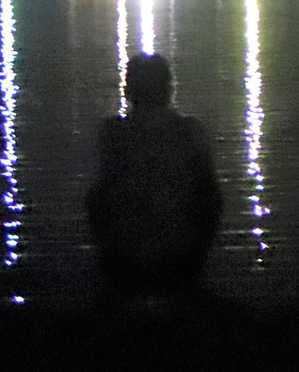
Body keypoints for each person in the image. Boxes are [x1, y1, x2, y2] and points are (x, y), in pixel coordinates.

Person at [87, 53, 222, 299]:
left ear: (128, 91)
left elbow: (98, 202)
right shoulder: (190, 133)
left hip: (126, 262)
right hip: (180, 260)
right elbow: (210, 201)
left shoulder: (113, 135)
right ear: (169, 91)